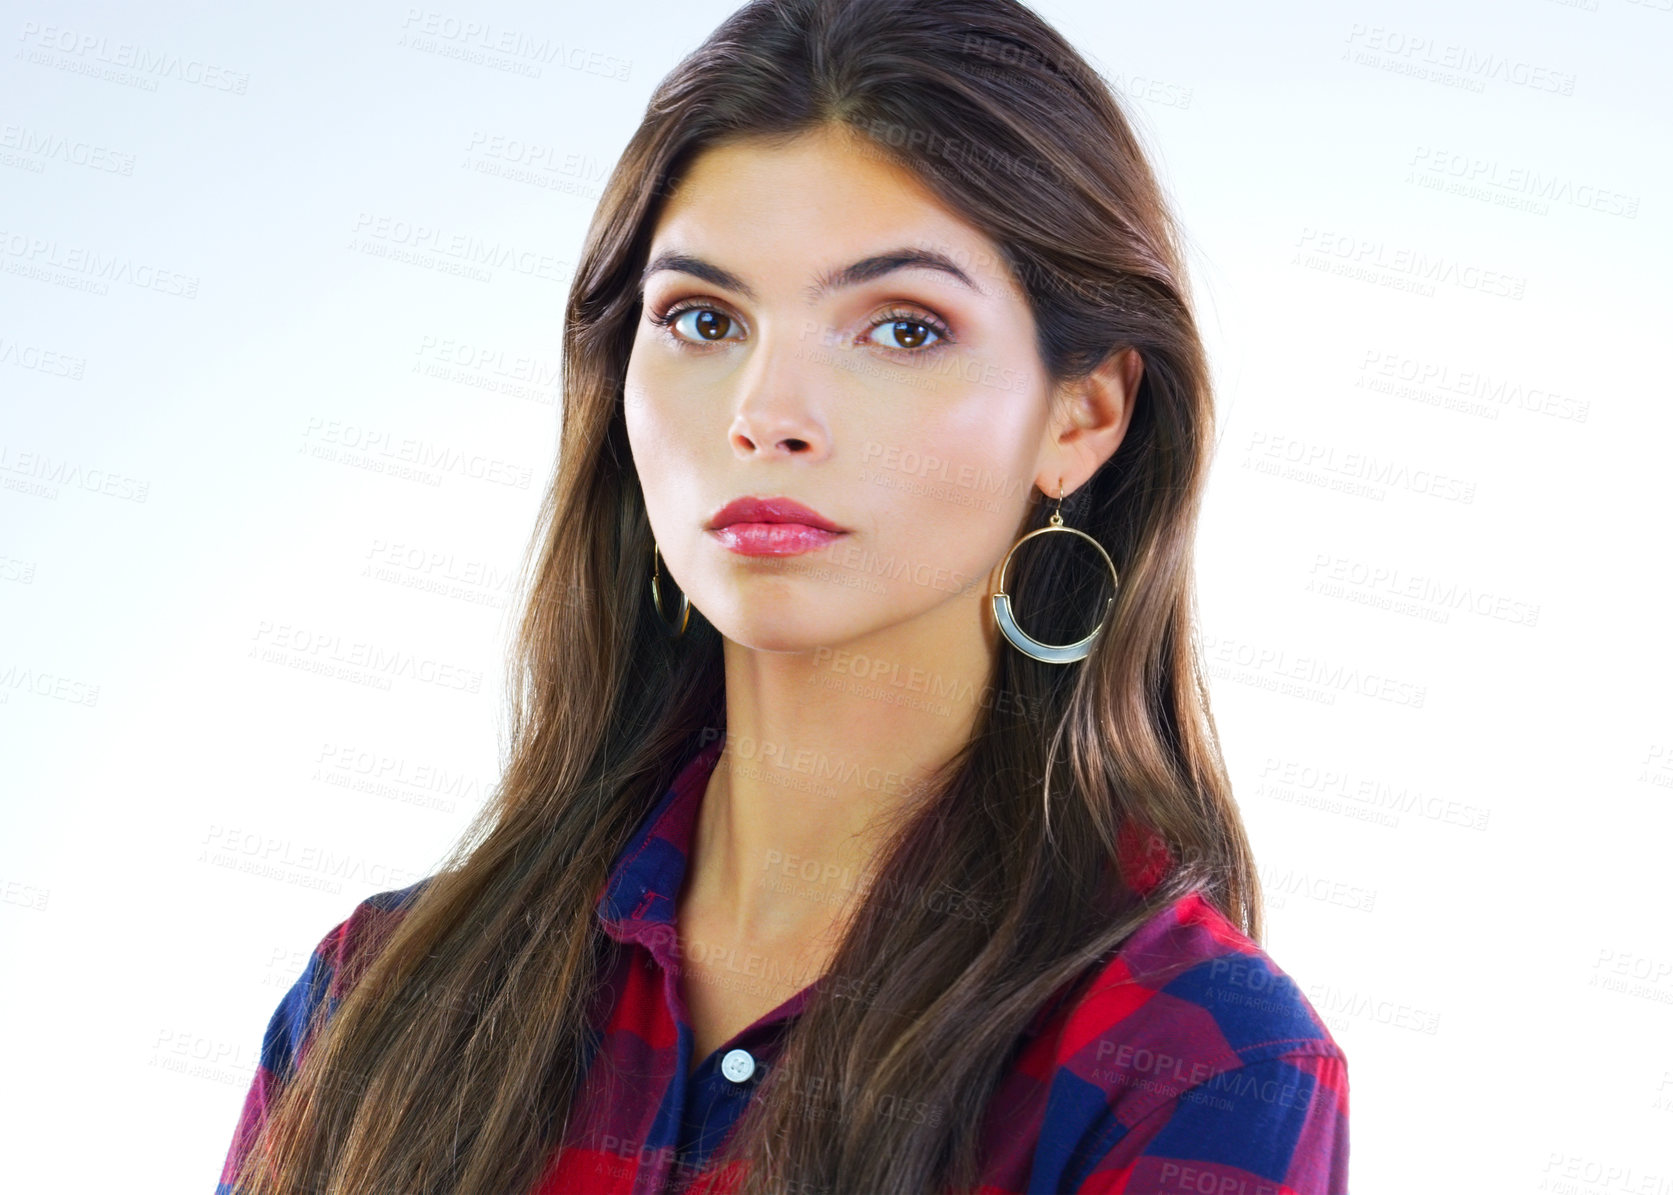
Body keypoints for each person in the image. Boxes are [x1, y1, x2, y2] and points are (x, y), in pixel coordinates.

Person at [218, 0, 1350, 1191]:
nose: (766, 412)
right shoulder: (372, 996)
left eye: (902, 329)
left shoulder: (1194, 1062)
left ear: (1082, 415)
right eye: (703, 319)